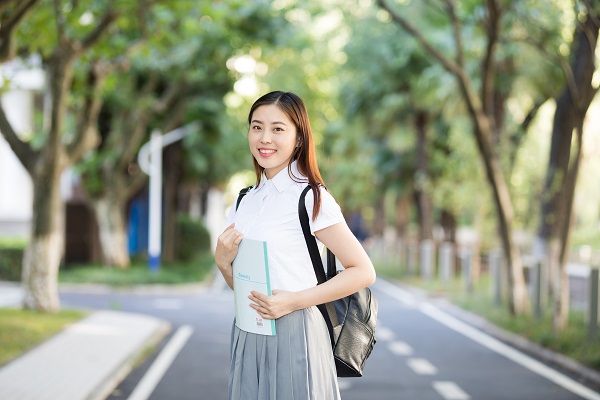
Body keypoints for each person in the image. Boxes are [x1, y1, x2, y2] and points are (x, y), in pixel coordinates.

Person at [214, 91, 376, 400]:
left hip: (297, 330)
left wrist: (294, 301)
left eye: (278, 129)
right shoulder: (243, 202)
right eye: (256, 126)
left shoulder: (311, 198)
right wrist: (223, 264)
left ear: (298, 138)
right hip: (248, 331)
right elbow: (246, 288)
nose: (265, 138)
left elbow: (363, 271)